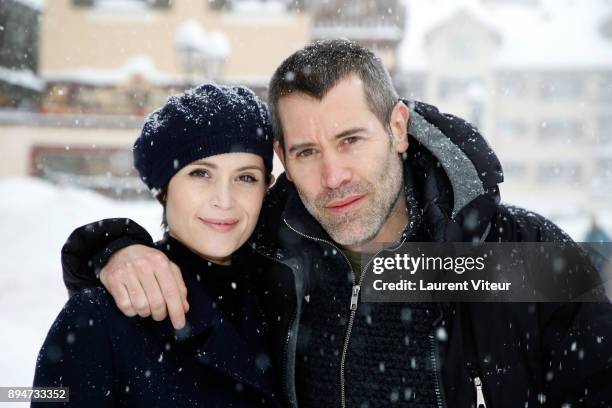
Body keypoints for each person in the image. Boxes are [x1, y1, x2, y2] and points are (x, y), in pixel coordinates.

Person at [59, 40, 612, 407]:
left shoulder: (516, 253)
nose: (332, 176)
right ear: (281, 156)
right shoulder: (269, 254)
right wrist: (113, 248)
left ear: (397, 127)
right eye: (306, 152)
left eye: (351, 140)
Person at [33, 84, 284, 407]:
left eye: (245, 177)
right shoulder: (100, 316)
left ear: (267, 187)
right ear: (164, 189)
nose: (225, 200)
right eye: (201, 173)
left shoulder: (288, 299)